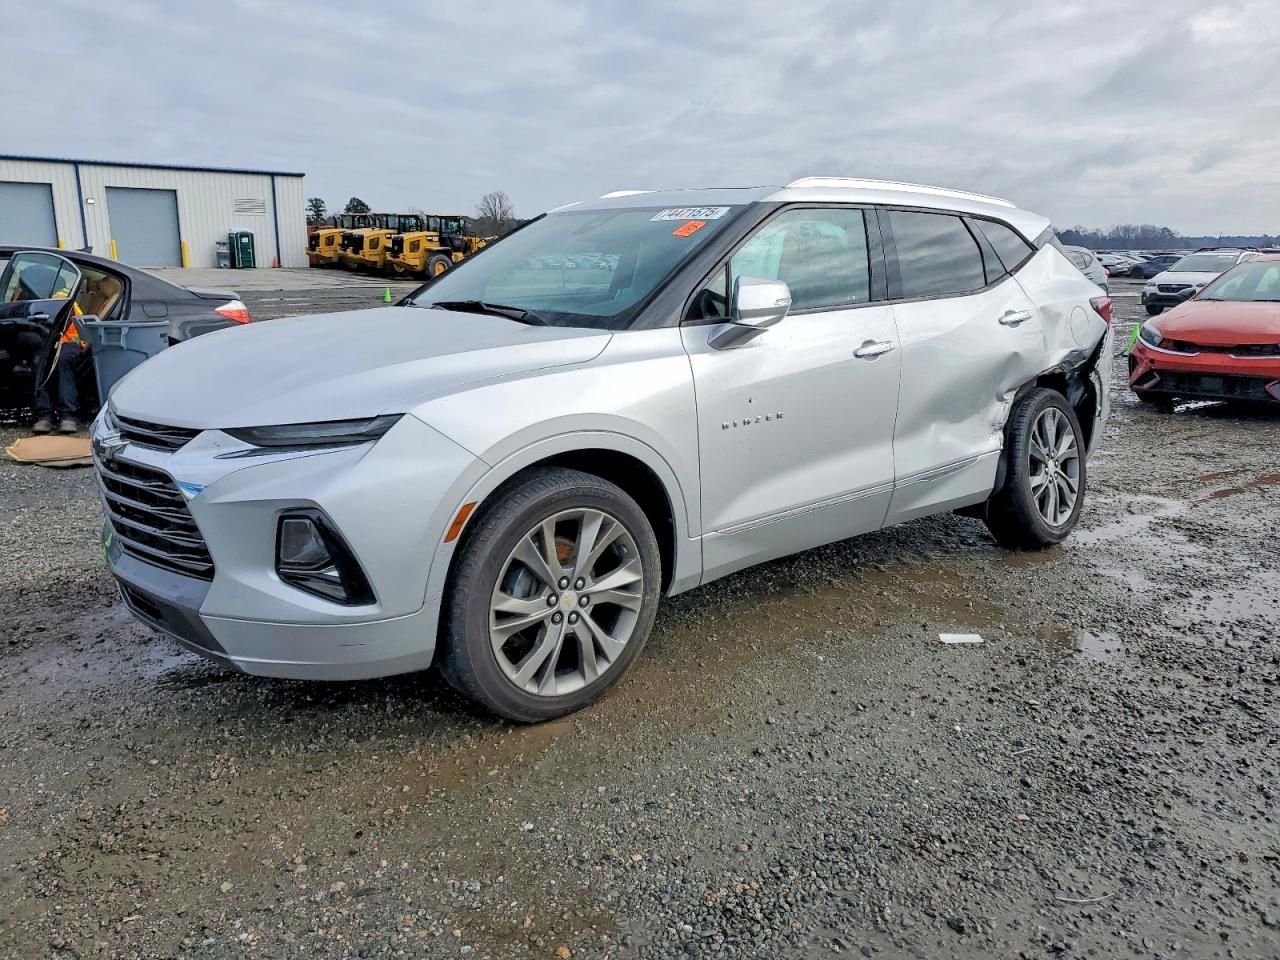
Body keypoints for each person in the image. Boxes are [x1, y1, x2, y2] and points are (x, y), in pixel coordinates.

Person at [32, 292, 89, 435]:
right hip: (54, 342)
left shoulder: (60, 298)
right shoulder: (41, 300)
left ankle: (68, 416)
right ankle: (44, 416)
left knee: (63, 361)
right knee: (41, 363)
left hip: (71, 342)